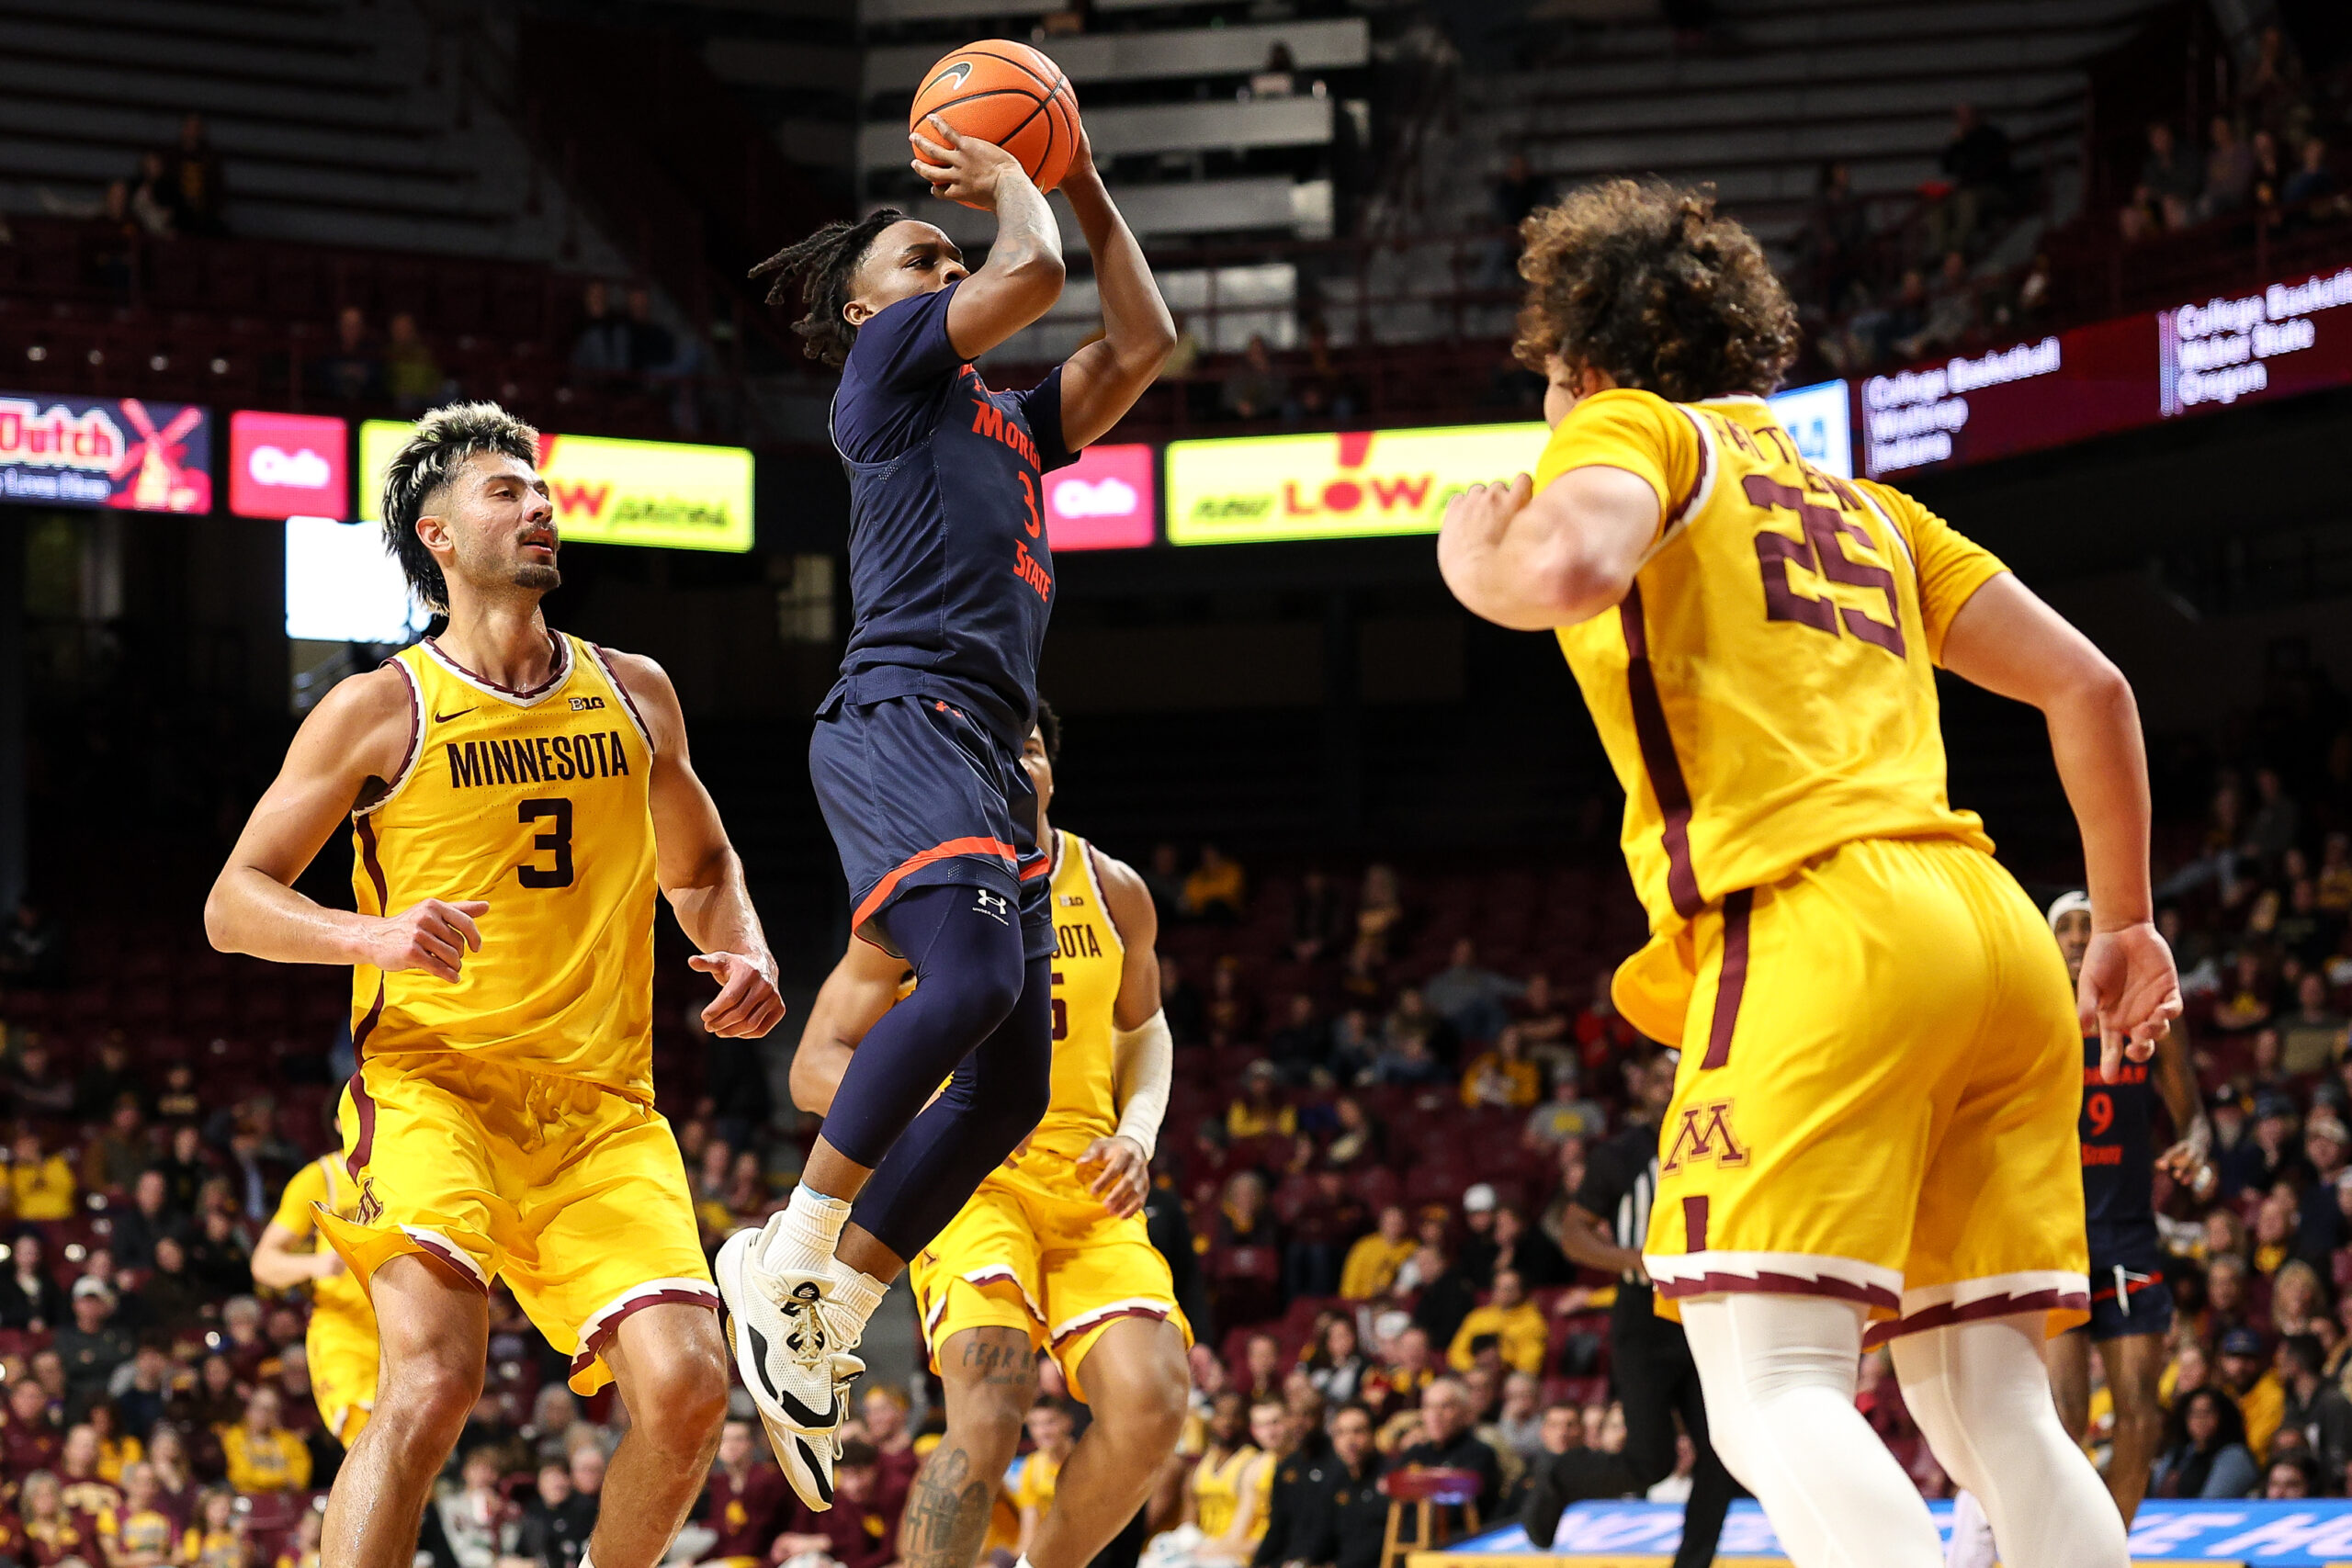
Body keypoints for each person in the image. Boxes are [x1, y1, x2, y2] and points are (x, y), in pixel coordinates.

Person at [1438, 177, 2178, 1568]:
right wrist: (2126, 918)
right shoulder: (1872, 508)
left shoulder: (1630, 426)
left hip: (1817, 925)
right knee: (1992, 1400)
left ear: (1589, 361)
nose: (1550, 412)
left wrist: (1474, 553)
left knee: (1768, 1387)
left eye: (1548, 381)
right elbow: (2093, 685)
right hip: (1997, 930)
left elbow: (1571, 562)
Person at [204, 400, 783, 1568]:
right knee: (428, 1384)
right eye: (502, 491)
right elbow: (233, 903)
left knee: (686, 1390)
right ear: (437, 536)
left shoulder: (637, 691)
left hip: (599, 1110)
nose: (537, 506)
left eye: (539, 488)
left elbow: (704, 863)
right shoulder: (380, 706)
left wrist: (750, 947)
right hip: (434, 1091)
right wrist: (374, 938)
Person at [729, 112, 1171, 1507]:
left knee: (1016, 1078)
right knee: (975, 975)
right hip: (899, 713)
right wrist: (1012, 189)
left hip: (982, 740)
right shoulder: (888, 370)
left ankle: (831, 1312)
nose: (949, 262)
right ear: (870, 307)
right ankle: (792, 1245)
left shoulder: (1008, 424)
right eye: (923, 257)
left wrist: (1083, 180)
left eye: (947, 251)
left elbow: (1140, 341)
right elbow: (1032, 279)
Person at [786, 704, 1191, 1568]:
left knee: (1154, 1402)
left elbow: (1145, 1027)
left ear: (1051, 768)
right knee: (991, 1393)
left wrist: (1139, 1136)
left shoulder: (1113, 885)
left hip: (1087, 1182)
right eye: (993, 754)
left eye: (1030, 750)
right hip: (971, 1183)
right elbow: (815, 1060)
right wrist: (942, 1117)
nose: (1014, 768)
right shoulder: (920, 892)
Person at [2041, 889, 2211, 1525]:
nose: (2081, 937)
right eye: (2069, 927)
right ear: (2051, 942)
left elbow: (2194, 1119)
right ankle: (2064, 1546)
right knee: (2065, 1416)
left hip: (2130, 1234)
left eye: (2090, 925)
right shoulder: (2035, 1012)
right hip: (2058, 1231)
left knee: (2141, 1416)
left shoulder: (2145, 1009)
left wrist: (2195, 1151)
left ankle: (2107, 1548)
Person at [1552, 1053, 1732, 1568]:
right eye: (1660, 1078)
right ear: (1642, 1088)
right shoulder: (1621, 1156)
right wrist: (1635, 1260)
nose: (1672, 1085)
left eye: (1682, 1075)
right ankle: (1562, 1477)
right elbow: (1573, 1233)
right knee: (1649, 1461)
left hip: (1705, 1312)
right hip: (1643, 1316)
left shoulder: (1721, 1143)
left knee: (1721, 1454)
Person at [250, 1112, 381, 1444]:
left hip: (403, 1329)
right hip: (347, 1331)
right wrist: (315, 1265)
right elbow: (263, 1263)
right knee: (366, 1442)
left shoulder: (406, 1173)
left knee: (416, 1458)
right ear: (340, 1122)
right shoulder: (321, 1176)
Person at [697, 1417, 792, 1566]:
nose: (731, 1446)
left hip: (763, 1558)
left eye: (738, 1439)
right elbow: (723, 1536)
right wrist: (694, 1561)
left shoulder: (767, 1479)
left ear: (751, 1444)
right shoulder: (721, 1483)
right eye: (724, 1439)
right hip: (727, 1557)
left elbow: (759, 1536)